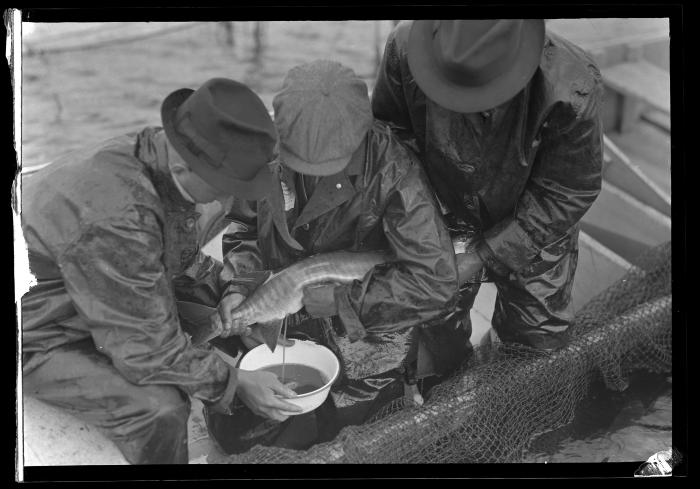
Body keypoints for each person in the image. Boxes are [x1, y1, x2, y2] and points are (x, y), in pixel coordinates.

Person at [20, 78, 303, 465]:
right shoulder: (119, 217)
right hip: (38, 329)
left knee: (216, 305)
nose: (228, 199)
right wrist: (236, 383)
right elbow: (146, 351)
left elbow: (171, 256)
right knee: (162, 410)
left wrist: (235, 293)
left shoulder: (156, 156)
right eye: (226, 186)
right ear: (183, 165)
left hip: (95, 287)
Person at [205, 60, 467, 454]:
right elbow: (243, 226)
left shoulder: (394, 170)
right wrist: (239, 287)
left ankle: (380, 388)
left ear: (358, 137)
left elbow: (434, 280)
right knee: (236, 432)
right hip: (277, 313)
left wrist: (342, 302)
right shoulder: (261, 149)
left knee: (361, 435)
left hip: (366, 327)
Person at [371, 20, 604, 350]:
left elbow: (566, 190)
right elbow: (391, 138)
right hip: (439, 204)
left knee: (537, 342)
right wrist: (424, 218)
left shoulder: (573, 86)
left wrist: (483, 254)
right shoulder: (403, 47)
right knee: (431, 327)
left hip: (534, 223)